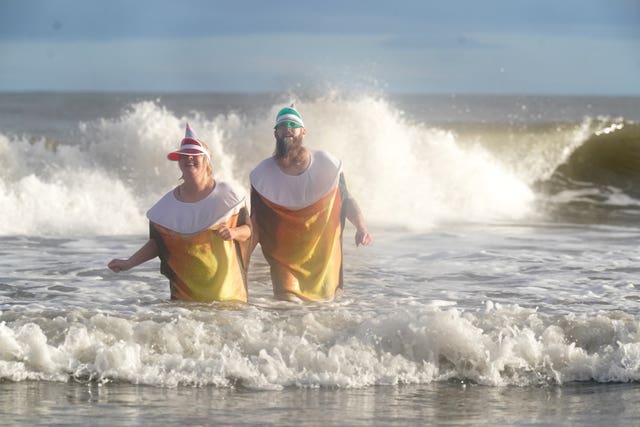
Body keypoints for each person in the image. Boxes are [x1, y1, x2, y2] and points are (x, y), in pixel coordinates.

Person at [108, 124, 251, 303]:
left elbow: (248, 230)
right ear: (179, 163)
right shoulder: (165, 209)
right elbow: (158, 245)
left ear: (206, 161)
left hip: (228, 295)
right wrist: (129, 263)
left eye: (194, 154)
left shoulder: (229, 195)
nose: (189, 158)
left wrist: (234, 233)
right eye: (184, 155)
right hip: (185, 299)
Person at [250, 106, 372, 302]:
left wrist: (361, 227)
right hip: (284, 260)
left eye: (293, 125)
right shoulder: (262, 175)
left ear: (303, 131)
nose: (287, 129)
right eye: (282, 126)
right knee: (287, 308)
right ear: (275, 133)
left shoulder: (327, 164)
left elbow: (346, 199)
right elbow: (256, 221)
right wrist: (242, 259)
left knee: (321, 314)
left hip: (322, 258)